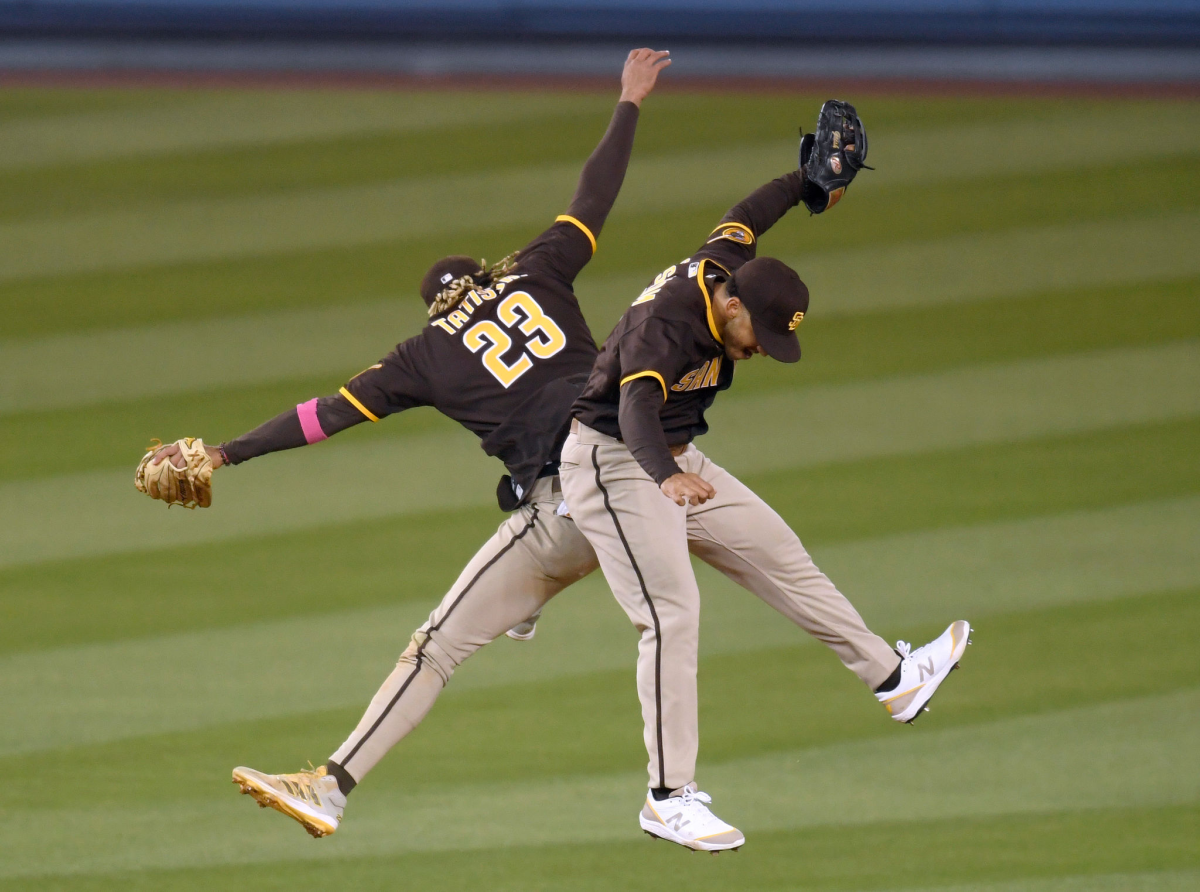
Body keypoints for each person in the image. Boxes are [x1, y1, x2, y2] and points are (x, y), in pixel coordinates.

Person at [146, 48, 671, 838]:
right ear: (486, 277)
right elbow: (594, 195)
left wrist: (227, 452)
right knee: (751, 553)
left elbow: (322, 416)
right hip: (644, 463)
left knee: (435, 645)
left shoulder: (422, 355)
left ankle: (334, 783)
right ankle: (886, 666)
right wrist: (630, 99)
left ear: (434, 308)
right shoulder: (536, 272)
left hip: (571, 505)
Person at [559, 152, 971, 853]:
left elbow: (748, 217)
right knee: (671, 614)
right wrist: (665, 479)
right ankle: (668, 798)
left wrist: (808, 185)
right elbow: (632, 410)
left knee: (776, 547)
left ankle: (894, 679)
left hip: (675, 457)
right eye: (763, 335)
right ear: (733, 306)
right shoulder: (670, 325)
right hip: (614, 461)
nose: (763, 350)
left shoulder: (727, 265)